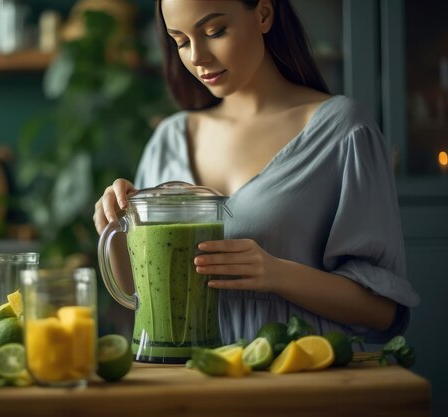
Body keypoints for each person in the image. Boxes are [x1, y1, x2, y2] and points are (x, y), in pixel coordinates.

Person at [93, 0, 419, 348]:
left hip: (300, 383)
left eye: (214, 31)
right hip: (189, 386)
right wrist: (112, 224)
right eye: (181, 41)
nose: (197, 57)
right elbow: (140, 297)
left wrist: (276, 273)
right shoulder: (168, 141)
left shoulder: (344, 130)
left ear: (263, 14)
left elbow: (384, 310)